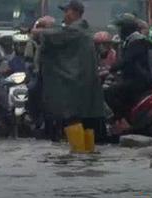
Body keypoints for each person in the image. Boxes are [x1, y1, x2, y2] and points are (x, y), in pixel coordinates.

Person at [33, 0, 105, 152]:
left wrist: (38, 32)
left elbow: (54, 35)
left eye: (66, 11)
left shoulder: (75, 30)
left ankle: (78, 156)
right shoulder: (85, 30)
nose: (64, 15)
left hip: (75, 82)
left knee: (71, 117)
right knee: (85, 120)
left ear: (74, 13)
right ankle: (87, 155)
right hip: (86, 81)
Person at [105, 14, 152, 123]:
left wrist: (109, 69)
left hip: (140, 81)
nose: (119, 32)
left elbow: (126, 60)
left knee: (109, 92)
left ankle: (123, 119)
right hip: (136, 79)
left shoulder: (137, 41)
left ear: (126, 29)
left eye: (120, 29)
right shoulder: (134, 41)